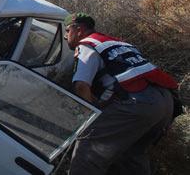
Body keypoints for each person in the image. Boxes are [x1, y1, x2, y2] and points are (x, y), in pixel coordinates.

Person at [64, 13, 178, 175]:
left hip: (137, 103)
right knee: (131, 154)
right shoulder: (119, 43)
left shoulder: (87, 45)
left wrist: (90, 119)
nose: (65, 36)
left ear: (79, 30)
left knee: (88, 151)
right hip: (165, 102)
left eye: (67, 31)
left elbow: (81, 86)